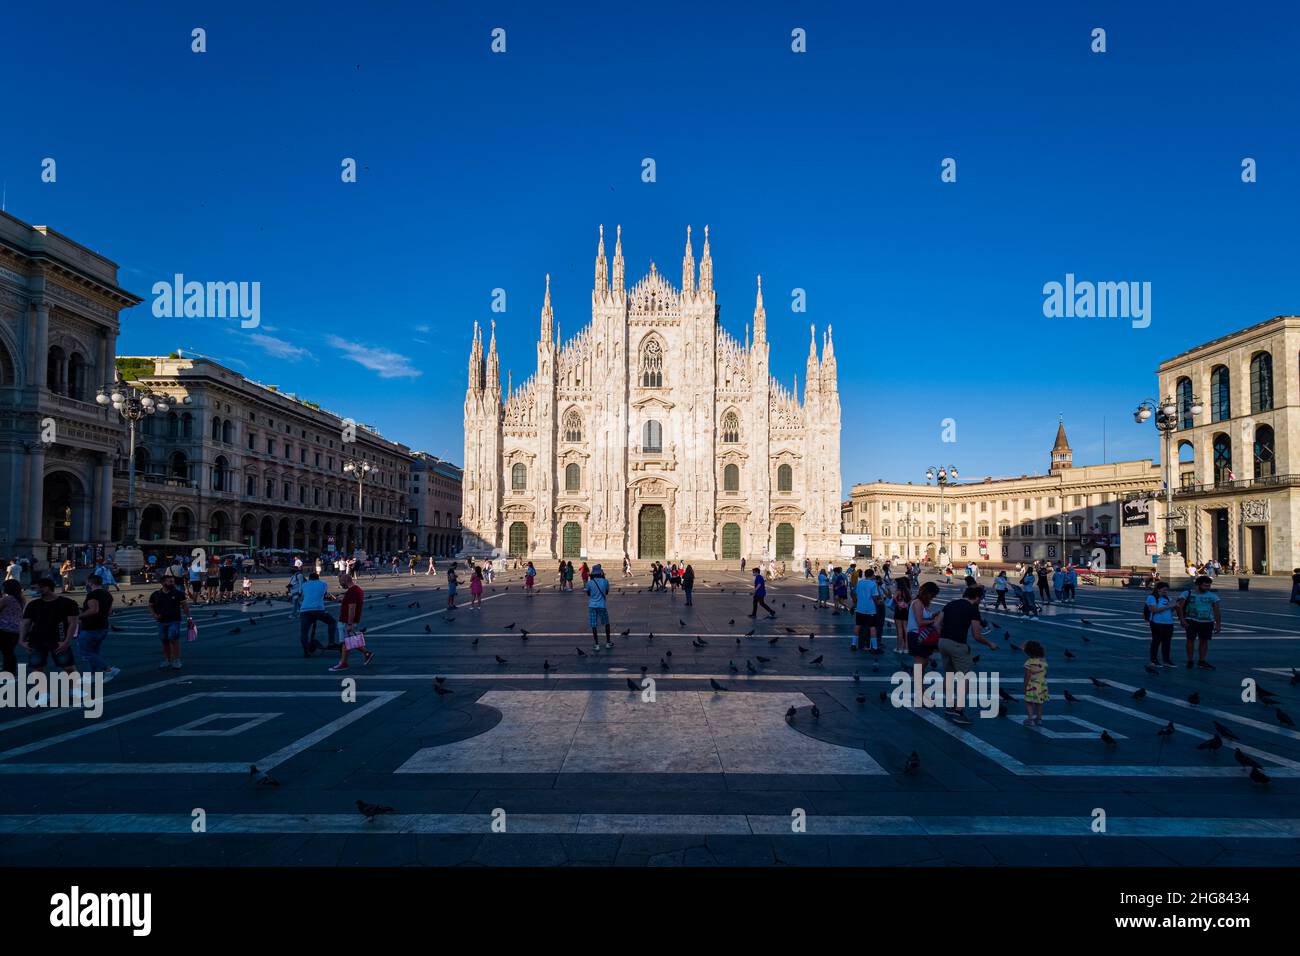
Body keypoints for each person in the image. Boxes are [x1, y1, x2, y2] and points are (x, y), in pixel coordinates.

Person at [933, 586, 999, 725]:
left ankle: (950, 706)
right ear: (977, 597)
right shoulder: (973, 609)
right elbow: (976, 635)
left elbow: (936, 624)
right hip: (957, 644)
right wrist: (989, 644)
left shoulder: (950, 604)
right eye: (981, 598)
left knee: (949, 675)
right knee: (966, 677)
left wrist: (944, 637)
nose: (981, 601)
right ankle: (959, 712)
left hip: (942, 642)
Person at [19, 577, 81, 701]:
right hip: (36, 640)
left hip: (59, 639)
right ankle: (43, 694)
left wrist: (67, 641)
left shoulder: (67, 603)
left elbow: (73, 623)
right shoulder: (33, 604)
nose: (34, 591)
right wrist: (22, 640)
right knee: (37, 668)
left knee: (68, 667)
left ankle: (74, 690)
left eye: (35, 588)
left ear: (46, 588)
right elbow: (25, 623)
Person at [76, 573, 120, 681]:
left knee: (86, 651)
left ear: (91, 583)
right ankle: (94, 675)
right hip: (103, 625)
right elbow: (109, 612)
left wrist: (79, 615)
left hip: (91, 626)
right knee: (94, 652)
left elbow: (94, 610)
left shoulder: (92, 595)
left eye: (87, 582)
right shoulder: (107, 594)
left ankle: (109, 669)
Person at [329, 573, 373, 671]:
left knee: (345, 642)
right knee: (349, 641)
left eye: (341, 582)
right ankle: (366, 653)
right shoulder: (356, 589)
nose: (341, 585)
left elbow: (352, 608)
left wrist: (349, 624)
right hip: (348, 620)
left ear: (345, 581)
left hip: (346, 621)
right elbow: (350, 603)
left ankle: (343, 663)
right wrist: (340, 600)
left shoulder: (352, 592)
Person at [148, 573, 193, 670]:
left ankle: (176, 660)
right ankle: (167, 660)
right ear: (163, 583)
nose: (172, 583)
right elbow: (150, 606)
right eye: (170, 581)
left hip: (174, 620)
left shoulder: (178, 593)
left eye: (173, 581)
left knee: (173, 639)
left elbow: (185, 606)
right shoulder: (156, 594)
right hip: (161, 621)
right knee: (164, 641)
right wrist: (154, 615)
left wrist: (189, 618)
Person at [1175, 575, 1221, 669]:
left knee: (1204, 641)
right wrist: (1182, 619)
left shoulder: (1213, 596)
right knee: (1190, 640)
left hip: (1208, 621)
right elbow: (1180, 607)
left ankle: (1202, 661)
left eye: (1209, 586)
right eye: (1205, 586)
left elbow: (1217, 610)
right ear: (1198, 585)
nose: (1207, 588)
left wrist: (1218, 624)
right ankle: (1190, 660)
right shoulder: (1187, 594)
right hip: (1192, 620)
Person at [298, 571, 337, 657]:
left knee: (304, 632)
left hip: (304, 609)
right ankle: (331, 642)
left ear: (309, 578)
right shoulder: (323, 584)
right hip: (318, 609)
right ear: (318, 578)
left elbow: (302, 594)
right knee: (332, 622)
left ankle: (306, 651)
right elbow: (324, 594)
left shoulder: (304, 584)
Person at [906, 581, 943, 670]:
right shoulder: (917, 603)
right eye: (933, 595)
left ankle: (919, 682)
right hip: (916, 635)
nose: (934, 597)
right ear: (928, 593)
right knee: (921, 662)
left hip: (920, 635)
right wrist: (935, 621)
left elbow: (925, 617)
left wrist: (934, 615)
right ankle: (918, 682)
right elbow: (920, 622)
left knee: (924, 661)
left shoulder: (921, 603)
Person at [1144, 581, 1176, 667]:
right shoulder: (1152, 597)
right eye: (1164, 590)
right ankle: (1153, 660)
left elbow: (1170, 611)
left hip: (1168, 622)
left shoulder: (1168, 598)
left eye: (1166, 590)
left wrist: (1174, 607)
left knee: (1167, 642)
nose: (1165, 591)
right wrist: (1168, 606)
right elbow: (1154, 610)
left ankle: (1166, 660)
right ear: (1158, 589)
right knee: (1156, 641)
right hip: (1156, 622)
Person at [0, 579, 26, 676]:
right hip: (16, 628)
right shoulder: (21, 598)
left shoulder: (7, 599)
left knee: (7, 652)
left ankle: (9, 671)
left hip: (4, 628)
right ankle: (10, 670)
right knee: (9, 651)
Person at [853, 568, 882, 651]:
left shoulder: (860, 582)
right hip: (870, 609)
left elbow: (855, 594)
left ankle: (853, 644)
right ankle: (875, 647)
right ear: (872, 575)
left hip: (860, 608)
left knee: (857, 625)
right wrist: (878, 602)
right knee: (872, 627)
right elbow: (874, 597)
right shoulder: (873, 584)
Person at [586, 563, 613, 651]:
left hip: (592, 606)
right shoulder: (605, 581)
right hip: (602, 605)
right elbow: (606, 592)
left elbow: (588, 594)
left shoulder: (589, 583)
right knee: (606, 623)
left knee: (594, 625)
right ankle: (608, 642)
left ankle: (597, 644)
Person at [1022, 640, 1048, 725]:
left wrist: (1025, 686)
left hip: (1032, 684)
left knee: (1029, 702)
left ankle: (1030, 719)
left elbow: (1027, 676)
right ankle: (1039, 718)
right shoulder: (1043, 661)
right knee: (1039, 702)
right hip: (1042, 684)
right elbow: (1045, 673)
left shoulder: (1029, 662)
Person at [892, 576, 912, 653]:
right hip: (906, 610)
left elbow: (894, 598)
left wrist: (899, 603)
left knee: (899, 630)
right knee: (906, 629)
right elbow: (910, 600)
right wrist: (905, 604)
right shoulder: (908, 591)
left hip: (899, 610)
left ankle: (899, 648)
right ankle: (906, 647)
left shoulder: (898, 591)